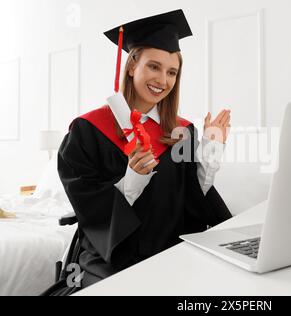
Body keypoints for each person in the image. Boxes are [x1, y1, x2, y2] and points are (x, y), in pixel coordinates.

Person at [53, 9, 232, 292]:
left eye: (171, 72)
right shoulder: (88, 130)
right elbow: (89, 209)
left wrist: (210, 153)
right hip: (112, 259)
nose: (163, 80)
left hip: (170, 252)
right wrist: (133, 178)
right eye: (154, 66)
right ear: (132, 64)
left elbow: (194, 205)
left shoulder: (182, 132)